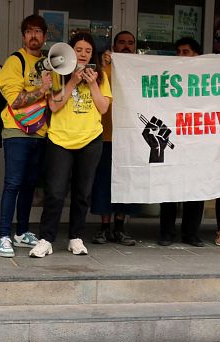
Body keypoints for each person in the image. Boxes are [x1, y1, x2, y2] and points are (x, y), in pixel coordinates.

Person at [29, 32, 111, 258]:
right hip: (60, 140)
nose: (83, 54)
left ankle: (76, 237)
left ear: (92, 55)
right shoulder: (58, 73)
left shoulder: (101, 77)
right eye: (79, 50)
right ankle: (46, 239)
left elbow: (103, 108)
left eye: (88, 51)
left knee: (82, 193)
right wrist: (73, 81)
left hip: (90, 139)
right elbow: (54, 106)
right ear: (70, 52)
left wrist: (92, 84)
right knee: (55, 193)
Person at [0, 15, 51, 258]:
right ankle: (4, 235)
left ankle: (22, 232)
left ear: (45, 36)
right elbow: (15, 100)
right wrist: (42, 89)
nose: (33, 36)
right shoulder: (14, 61)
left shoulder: (50, 63)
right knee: (13, 183)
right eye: (29, 31)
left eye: (38, 31)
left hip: (40, 132)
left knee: (29, 185)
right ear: (23, 36)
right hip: (17, 131)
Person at [90, 30, 139, 247]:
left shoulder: (139, 70)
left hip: (131, 137)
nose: (126, 46)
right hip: (106, 135)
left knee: (126, 183)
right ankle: (104, 227)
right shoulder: (105, 68)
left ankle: (120, 227)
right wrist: (103, 64)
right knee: (104, 183)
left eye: (130, 43)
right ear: (114, 46)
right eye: (122, 42)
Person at [159, 37, 206, 247]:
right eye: (178, 52)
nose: (180, 56)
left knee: (195, 186)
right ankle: (166, 232)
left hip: (198, 139)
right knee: (169, 185)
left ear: (197, 54)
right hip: (173, 136)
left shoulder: (208, 76)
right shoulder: (168, 75)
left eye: (185, 52)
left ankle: (191, 233)